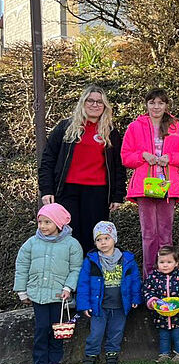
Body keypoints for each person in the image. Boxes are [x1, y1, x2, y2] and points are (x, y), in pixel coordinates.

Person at [37, 85, 126, 253]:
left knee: (93, 238)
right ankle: (69, 277)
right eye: (90, 100)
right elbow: (48, 159)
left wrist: (118, 195)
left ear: (105, 106)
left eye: (99, 102)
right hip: (67, 191)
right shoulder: (66, 127)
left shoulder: (111, 132)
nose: (95, 105)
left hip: (98, 192)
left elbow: (118, 166)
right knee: (68, 237)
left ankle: (89, 276)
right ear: (82, 103)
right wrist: (46, 189)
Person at [121, 88, 179, 276]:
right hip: (145, 187)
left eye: (160, 102)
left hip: (167, 187)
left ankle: (166, 277)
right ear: (146, 104)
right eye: (152, 102)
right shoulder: (135, 127)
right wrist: (142, 155)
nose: (156, 106)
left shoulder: (177, 128)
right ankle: (150, 278)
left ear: (166, 105)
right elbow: (126, 157)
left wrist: (170, 158)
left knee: (165, 234)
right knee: (148, 235)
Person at [14, 203, 83, 364]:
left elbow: (76, 268)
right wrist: (22, 291)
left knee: (57, 329)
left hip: (59, 295)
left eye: (47, 222)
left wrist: (68, 287)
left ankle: (55, 361)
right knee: (41, 328)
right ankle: (38, 363)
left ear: (59, 224)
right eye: (40, 222)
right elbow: (22, 266)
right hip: (38, 294)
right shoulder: (31, 243)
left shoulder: (72, 244)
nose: (43, 226)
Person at [77, 221, 142, 364]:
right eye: (99, 239)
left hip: (120, 305)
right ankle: (90, 358)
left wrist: (135, 298)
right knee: (96, 333)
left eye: (107, 238)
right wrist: (84, 305)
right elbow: (83, 284)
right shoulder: (91, 261)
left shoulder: (127, 260)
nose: (103, 242)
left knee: (116, 333)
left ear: (114, 239)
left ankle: (112, 358)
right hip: (99, 306)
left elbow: (134, 281)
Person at [142, 245, 179, 363]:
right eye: (162, 262)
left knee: (178, 335)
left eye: (169, 262)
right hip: (161, 315)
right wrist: (152, 301)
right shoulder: (153, 277)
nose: (165, 265)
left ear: (176, 263)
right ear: (157, 263)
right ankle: (164, 355)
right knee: (164, 336)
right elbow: (147, 290)